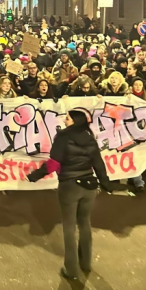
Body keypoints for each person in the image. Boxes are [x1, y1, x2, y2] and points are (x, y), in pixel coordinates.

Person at [28, 109, 111, 280]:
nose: (64, 121)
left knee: (68, 227)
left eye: (67, 118)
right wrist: (106, 183)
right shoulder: (89, 137)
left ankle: (71, 269)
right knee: (85, 224)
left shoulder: (63, 137)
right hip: (89, 186)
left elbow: (52, 165)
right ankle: (86, 263)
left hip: (70, 187)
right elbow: (98, 163)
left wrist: (33, 176)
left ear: (74, 121)